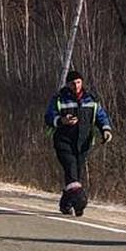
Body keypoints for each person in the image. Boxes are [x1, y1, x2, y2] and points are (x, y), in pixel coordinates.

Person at [44, 69, 113, 216]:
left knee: (76, 174)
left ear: (82, 82)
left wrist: (106, 130)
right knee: (71, 168)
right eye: (73, 83)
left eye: (78, 82)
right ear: (68, 84)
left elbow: (101, 116)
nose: (76, 86)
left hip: (83, 143)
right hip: (63, 141)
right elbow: (49, 117)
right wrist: (61, 120)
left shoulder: (91, 100)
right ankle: (79, 202)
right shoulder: (60, 99)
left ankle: (66, 203)